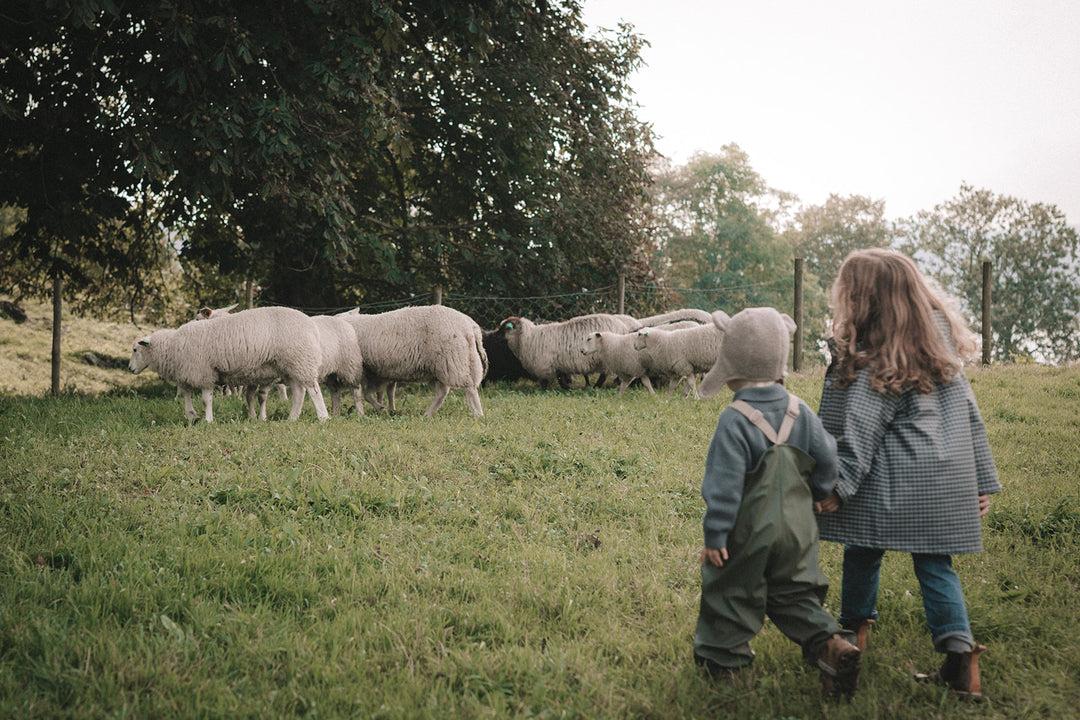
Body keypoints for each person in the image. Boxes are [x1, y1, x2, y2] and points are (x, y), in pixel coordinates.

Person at [815, 248, 1001, 700]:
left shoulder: (876, 358)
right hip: (942, 485)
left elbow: (860, 428)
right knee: (936, 564)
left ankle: (848, 642)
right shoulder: (940, 348)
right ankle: (961, 661)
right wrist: (981, 479)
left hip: (889, 484)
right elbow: (970, 416)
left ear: (862, 300)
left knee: (862, 548)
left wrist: (839, 486)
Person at [694, 307, 862, 698]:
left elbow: (723, 486)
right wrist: (821, 493)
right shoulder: (800, 410)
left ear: (731, 365)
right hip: (800, 529)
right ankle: (831, 646)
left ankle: (725, 669)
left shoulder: (734, 420)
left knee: (732, 592)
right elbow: (829, 459)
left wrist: (716, 535)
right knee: (795, 593)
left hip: (749, 531)